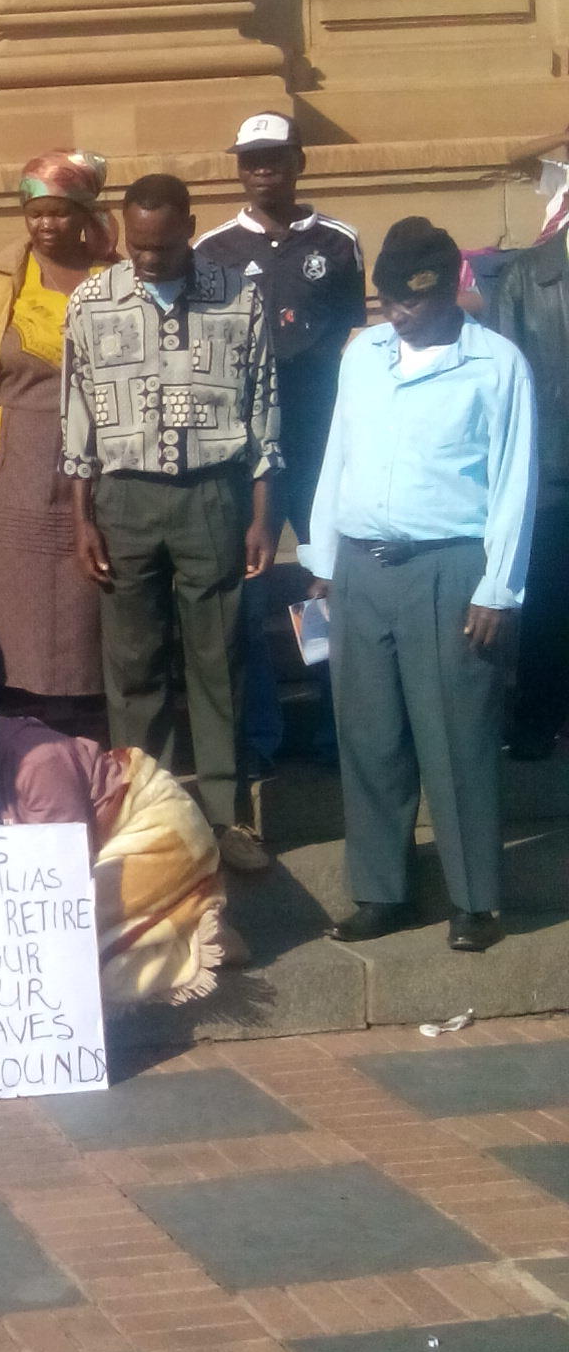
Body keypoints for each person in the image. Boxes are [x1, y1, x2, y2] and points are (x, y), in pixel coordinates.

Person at [304, 217, 537, 953]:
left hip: (450, 568)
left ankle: (475, 902)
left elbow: (513, 482)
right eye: (391, 300)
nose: (401, 313)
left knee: (456, 738)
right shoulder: (363, 356)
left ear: (447, 291)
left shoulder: (494, 364)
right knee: (369, 736)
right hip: (362, 568)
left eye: (416, 301)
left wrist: (499, 587)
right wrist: (320, 560)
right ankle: (382, 891)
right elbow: (336, 450)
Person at [64, 173, 281, 877]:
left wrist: (260, 515)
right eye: (138, 245)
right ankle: (147, 817)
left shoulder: (238, 297)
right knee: (133, 669)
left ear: (190, 226)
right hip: (123, 500)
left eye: (162, 245)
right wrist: (83, 520)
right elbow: (78, 419)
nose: (149, 258)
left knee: (218, 661)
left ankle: (225, 818)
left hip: (212, 497)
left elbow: (264, 411)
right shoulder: (92, 302)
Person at [0, 666, 244, 1006]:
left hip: (152, 828)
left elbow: (63, 876)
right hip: (84, 846)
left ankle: (195, 927)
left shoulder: (37, 761)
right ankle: (169, 920)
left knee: (67, 956)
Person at [197, 113, 365, 770]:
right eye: (251, 158)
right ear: (239, 168)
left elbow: (346, 334)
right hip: (243, 451)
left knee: (325, 581)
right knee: (249, 585)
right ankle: (260, 736)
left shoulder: (340, 240)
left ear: (299, 161)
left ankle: (334, 728)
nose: (262, 169)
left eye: (275, 157)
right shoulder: (213, 250)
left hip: (320, 440)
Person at [0, 150, 113, 722]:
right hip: (14, 471)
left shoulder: (118, 281)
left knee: (88, 610)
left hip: (99, 471)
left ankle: (86, 730)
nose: (44, 225)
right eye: (34, 212)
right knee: (14, 612)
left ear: (84, 212)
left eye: (58, 212)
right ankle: (13, 730)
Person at [487, 193, 569, 759]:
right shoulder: (524, 276)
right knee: (549, 603)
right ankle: (539, 720)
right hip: (553, 467)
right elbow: (505, 386)